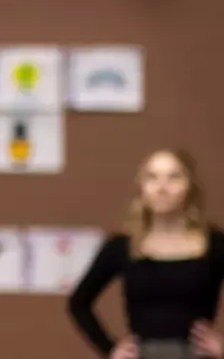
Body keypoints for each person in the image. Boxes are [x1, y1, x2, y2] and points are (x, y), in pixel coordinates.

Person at [66, 148, 224, 359]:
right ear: (141, 187)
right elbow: (79, 302)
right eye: (152, 178)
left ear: (190, 187)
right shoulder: (122, 246)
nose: (162, 187)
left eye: (174, 177)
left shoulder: (215, 244)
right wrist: (109, 348)